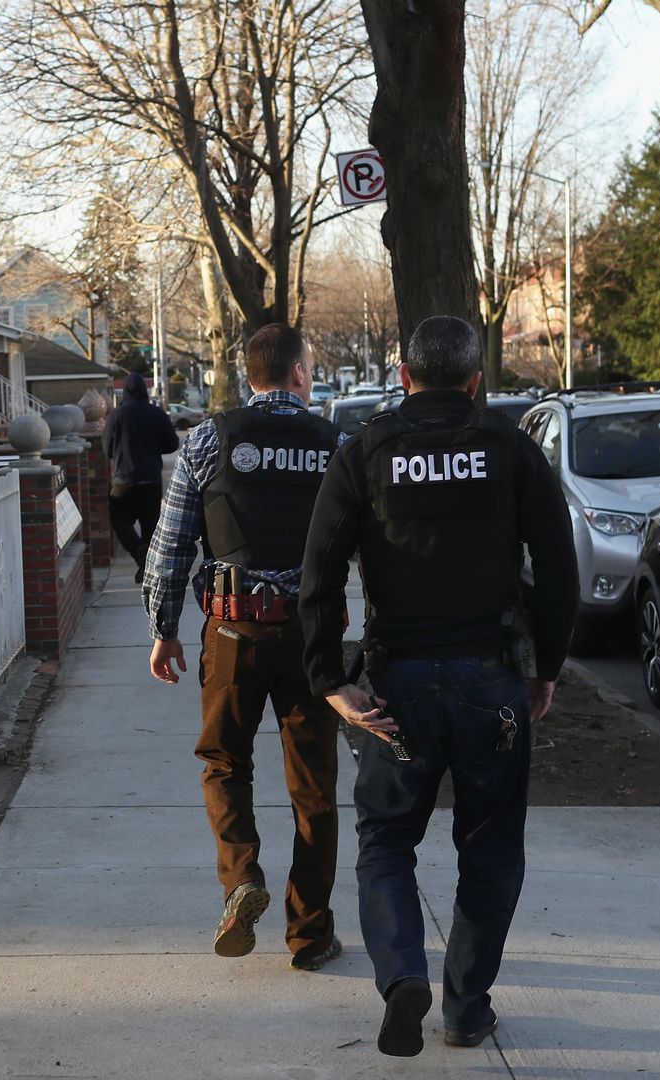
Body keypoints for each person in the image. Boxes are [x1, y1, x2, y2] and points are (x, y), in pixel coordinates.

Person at [299, 316, 578, 1056]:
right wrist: (545, 669)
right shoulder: (512, 451)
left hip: (399, 684)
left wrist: (330, 678)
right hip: (491, 679)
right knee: (489, 848)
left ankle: (401, 978)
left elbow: (319, 572)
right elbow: (558, 570)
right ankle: (464, 1007)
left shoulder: (366, 452)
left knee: (386, 840)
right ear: (477, 380)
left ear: (403, 375)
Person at [143, 324, 347, 971]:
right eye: (310, 367)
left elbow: (169, 545)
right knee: (313, 787)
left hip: (232, 633)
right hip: (312, 638)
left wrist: (163, 626)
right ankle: (309, 936)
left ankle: (242, 881)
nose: (311, 377)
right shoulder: (336, 447)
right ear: (294, 373)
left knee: (225, 762)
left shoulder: (207, 440)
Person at [103, 372, 180, 581]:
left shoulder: (116, 416)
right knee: (150, 526)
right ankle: (146, 565)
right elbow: (173, 444)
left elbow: (107, 448)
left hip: (123, 480)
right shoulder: (156, 414)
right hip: (151, 479)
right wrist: (154, 448)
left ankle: (139, 553)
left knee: (120, 522)